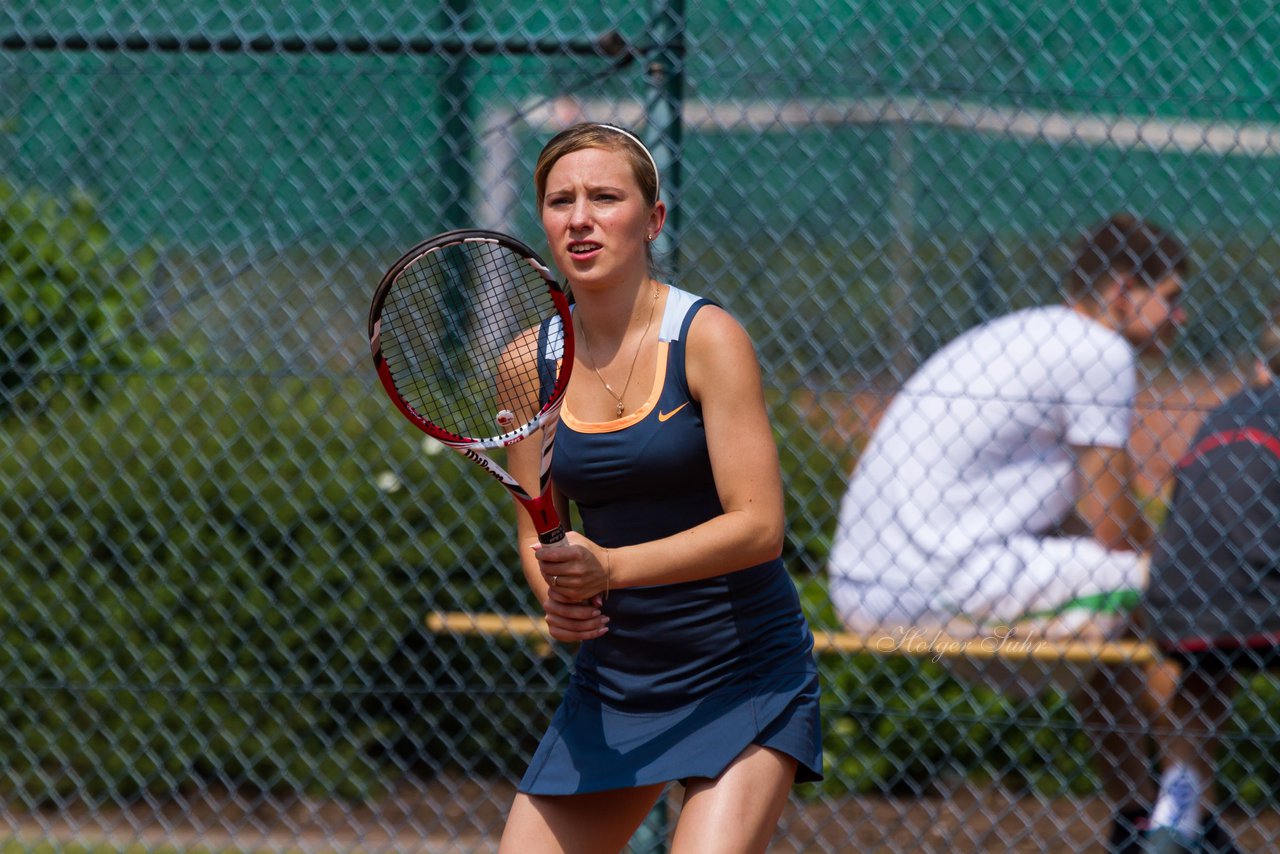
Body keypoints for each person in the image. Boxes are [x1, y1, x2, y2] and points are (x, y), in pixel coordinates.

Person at [496, 122, 822, 854]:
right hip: (617, 682)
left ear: (653, 219)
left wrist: (611, 568)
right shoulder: (529, 363)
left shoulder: (707, 337)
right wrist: (558, 599)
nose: (580, 217)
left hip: (745, 673)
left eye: (605, 197)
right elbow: (534, 528)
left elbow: (758, 526)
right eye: (560, 200)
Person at [826, 214, 1188, 850]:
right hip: (941, 589)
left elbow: (1080, 529)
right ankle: (1186, 815)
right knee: (1172, 590)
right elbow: (1113, 529)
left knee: (1102, 605)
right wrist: (1169, 556)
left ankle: (1137, 820)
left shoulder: (1021, 333)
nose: (1179, 319)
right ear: (1124, 290)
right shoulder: (1100, 351)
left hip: (868, 588)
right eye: (1173, 298)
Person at [1138, 307, 1280, 854]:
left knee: (1201, 678)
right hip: (1265, 606)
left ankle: (1177, 813)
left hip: (1180, 608)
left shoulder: (1220, 412)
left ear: (1258, 368)